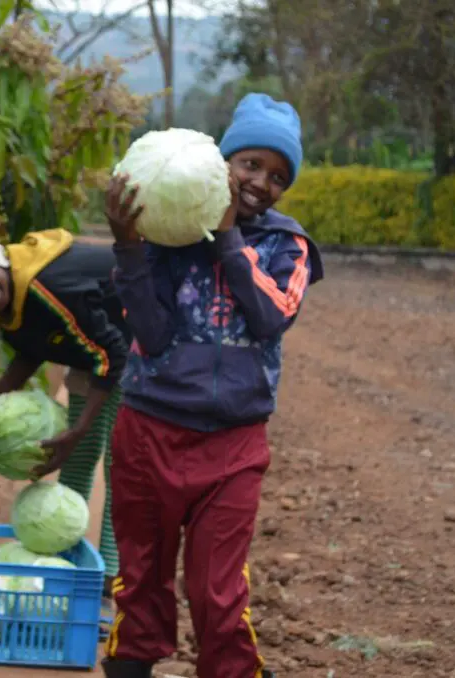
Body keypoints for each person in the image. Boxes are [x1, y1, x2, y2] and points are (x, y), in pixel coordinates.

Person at [101, 93, 325, 678]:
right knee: (141, 575)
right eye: (250, 164)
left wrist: (228, 240)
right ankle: (131, 666)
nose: (260, 183)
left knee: (217, 589)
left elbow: (274, 314)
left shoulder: (286, 246)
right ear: (223, 161)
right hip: (149, 433)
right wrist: (128, 244)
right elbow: (149, 334)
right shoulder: (171, 234)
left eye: (278, 176)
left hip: (233, 446)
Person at [0, 227, 128, 633]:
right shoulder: (10, 303)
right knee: (75, 459)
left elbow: (113, 355)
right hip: (95, 352)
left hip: (138, 346)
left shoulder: (47, 286)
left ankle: (110, 583)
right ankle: (69, 567)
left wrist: (78, 428)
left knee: (118, 466)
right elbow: (33, 348)